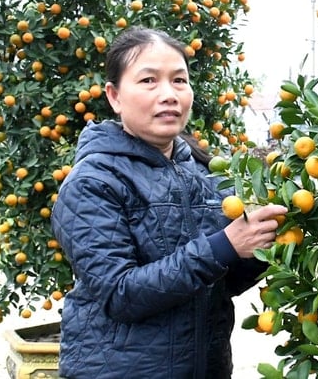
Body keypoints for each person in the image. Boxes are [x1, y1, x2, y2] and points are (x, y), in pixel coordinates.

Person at [52, 27, 285, 378]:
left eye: (179, 81)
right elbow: (120, 294)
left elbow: (218, 283)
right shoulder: (93, 182)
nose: (168, 94)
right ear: (115, 96)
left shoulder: (206, 174)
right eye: (148, 81)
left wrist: (265, 246)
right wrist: (224, 246)